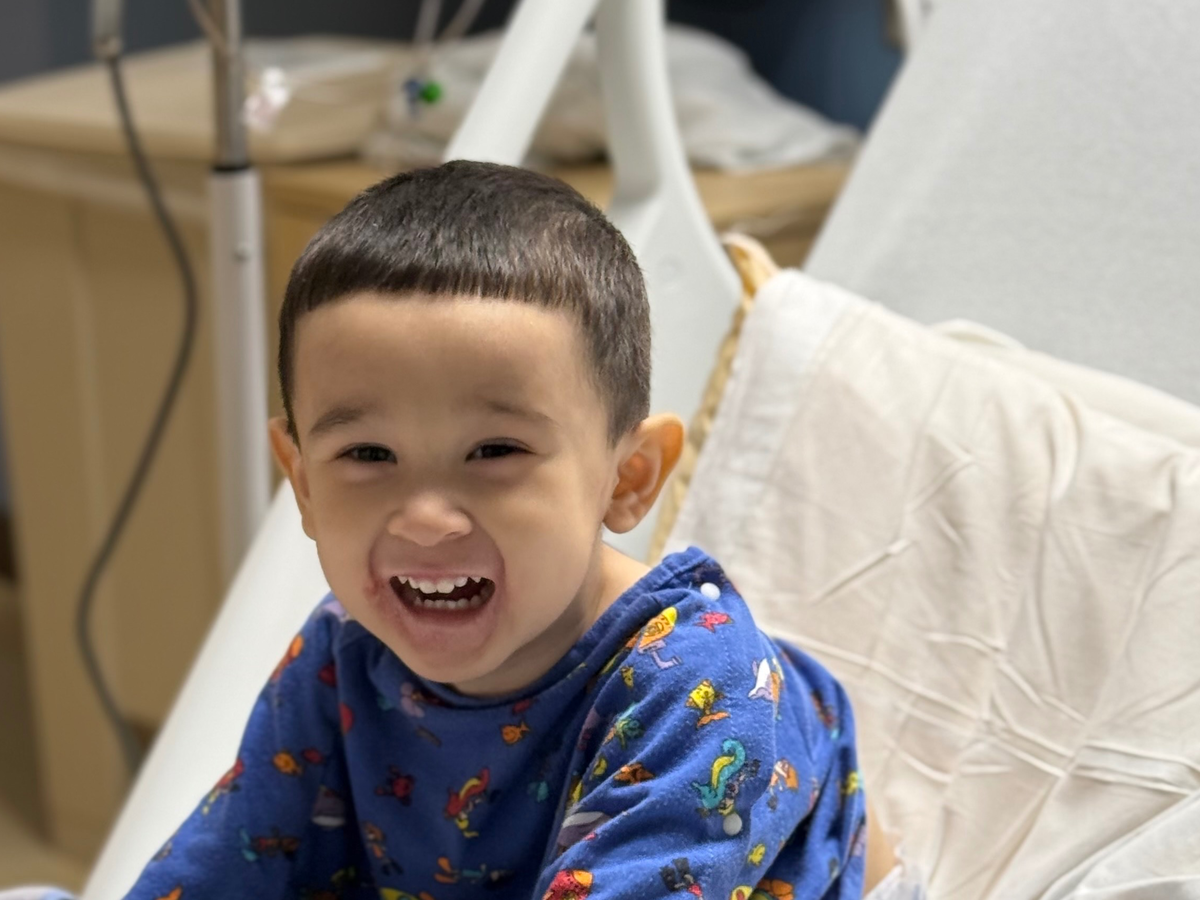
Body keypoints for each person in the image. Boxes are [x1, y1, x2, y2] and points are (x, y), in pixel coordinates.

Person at [121, 161, 887, 900]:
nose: (425, 518)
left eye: (495, 452)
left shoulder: (700, 688)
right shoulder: (345, 653)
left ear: (628, 478)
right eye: (367, 454)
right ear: (304, 483)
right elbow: (228, 864)